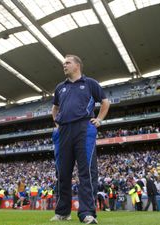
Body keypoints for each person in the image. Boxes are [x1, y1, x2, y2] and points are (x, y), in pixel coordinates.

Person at [50, 54, 110, 224]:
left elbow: (105, 102)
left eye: (67, 63)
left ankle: (87, 213)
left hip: (84, 129)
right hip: (63, 132)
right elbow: (54, 109)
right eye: (63, 63)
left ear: (77, 65)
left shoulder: (90, 83)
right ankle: (62, 212)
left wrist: (99, 120)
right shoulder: (60, 87)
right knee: (62, 173)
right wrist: (56, 124)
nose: (64, 65)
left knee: (86, 173)